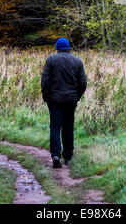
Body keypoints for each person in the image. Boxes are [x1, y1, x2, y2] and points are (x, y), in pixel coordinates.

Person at [41, 37, 87, 168]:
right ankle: (68, 155)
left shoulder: (51, 60)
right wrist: (77, 96)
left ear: (57, 48)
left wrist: (46, 96)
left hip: (54, 99)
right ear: (68, 48)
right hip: (71, 99)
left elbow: (45, 81)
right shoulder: (77, 61)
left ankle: (56, 154)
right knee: (68, 126)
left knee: (55, 126)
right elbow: (83, 83)